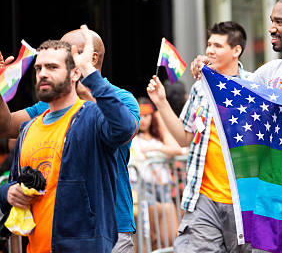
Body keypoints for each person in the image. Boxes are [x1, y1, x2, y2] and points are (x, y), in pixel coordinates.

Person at [0, 29, 140, 253]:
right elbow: (5, 127)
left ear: (90, 58)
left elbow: (124, 129)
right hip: (47, 236)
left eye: (67, 52)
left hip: (107, 226)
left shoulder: (118, 99)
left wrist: (90, 80)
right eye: (39, 68)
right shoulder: (40, 115)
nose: (44, 73)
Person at [147, 21, 252, 253]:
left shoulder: (254, 86)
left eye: (217, 45)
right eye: (209, 44)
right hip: (204, 198)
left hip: (245, 201)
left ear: (237, 50)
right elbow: (184, 138)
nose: (210, 50)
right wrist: (161, 102)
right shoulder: (199, 88)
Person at [131, 98, 182, 249]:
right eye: (140, 116)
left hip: (163, 187)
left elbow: (177, 149)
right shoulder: (133, 138)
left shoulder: (159, 136)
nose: (143, 120)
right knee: (151, 236)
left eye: (147, 115)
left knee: (171, 236)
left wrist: (155, 149)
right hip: (144, 189)